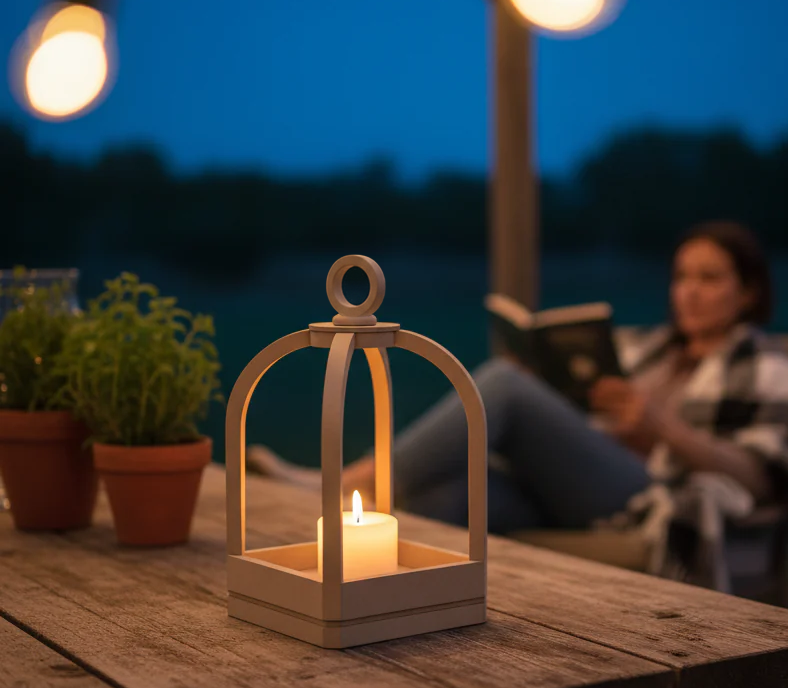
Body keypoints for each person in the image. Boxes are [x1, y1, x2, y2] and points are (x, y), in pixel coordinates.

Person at [249, 221, 788, 534]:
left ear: (748, 291)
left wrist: (663, 428)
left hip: (656, 496)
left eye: (710, 278)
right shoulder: (643, 346)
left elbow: (763, 478)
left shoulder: (764, 364)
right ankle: (392, 619)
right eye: (681, 277)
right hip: (574, 482)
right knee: (450, 498)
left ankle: (348, 482)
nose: (688, 292)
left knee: (503, 384)